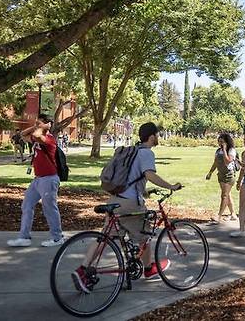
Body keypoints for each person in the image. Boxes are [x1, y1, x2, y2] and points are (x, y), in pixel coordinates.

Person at [73, 123, 182, 290]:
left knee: (105, 238)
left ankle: (82, 269)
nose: (158, 138)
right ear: (152, 136)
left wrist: (144, 192)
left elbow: (131, 178)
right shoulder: (146, 153)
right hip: (130, 205)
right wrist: (171, 186)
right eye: (157, 135)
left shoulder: (133, 151)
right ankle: (148, 268)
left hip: (115, 200)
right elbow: (149, 174)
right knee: (144, 236)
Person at [8, 114, 65, 248]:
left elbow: (39, 136)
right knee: (27, 205)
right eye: (36, 123)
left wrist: (44, 127)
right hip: (38, 180)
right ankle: (24, 237)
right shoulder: (35, 137)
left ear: (48, 124)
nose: (37, 125)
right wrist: (36, 125)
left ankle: (57, 237)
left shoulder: (49, 139)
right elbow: (22, 134)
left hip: (49, 179)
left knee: (49, 208)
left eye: (40, 123)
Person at [205, 133, 238, 223]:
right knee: (227, 195)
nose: (220, 144)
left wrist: (224, 150)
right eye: (219, 142)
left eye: (222, 142)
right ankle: (233, 214)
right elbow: (215, 163)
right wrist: (210, 172)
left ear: (227, 142)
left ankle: (219, 216)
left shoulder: (231, 150)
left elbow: (227, 161)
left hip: (229, 175)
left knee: (224, 195)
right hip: (221, 174)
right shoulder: (217, 151)